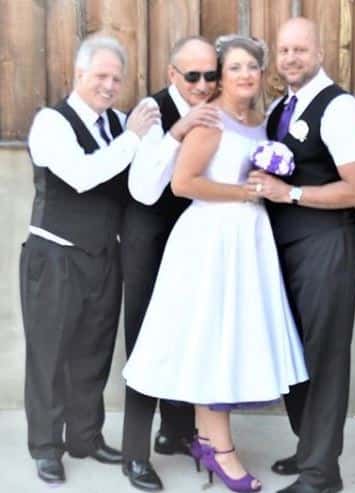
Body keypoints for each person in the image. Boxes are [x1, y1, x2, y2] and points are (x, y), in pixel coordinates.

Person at [123, 34, 308, 493]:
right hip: (212, 241)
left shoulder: (260, 121)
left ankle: (206, 441)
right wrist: (246, 192)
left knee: (228, 341)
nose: (245, 75)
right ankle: (221, 452)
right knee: (212, 341)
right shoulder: (209, 119)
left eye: (253, 67)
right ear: (223, 77)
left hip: (248, 241)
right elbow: (183, 184)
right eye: (235, 67)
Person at [21, 34, 159, 485]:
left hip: (103, 254)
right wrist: (133, 138)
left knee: (94, 351)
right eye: (100, 76)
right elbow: (82, 176)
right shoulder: (51, 122)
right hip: (54, 255)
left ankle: (85, 436)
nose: (109, 86)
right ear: (78, 73)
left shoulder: (119, 123)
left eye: (116, 79)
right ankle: (46, 446)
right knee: (50, 354)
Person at [248, 17, 355, 493]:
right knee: (294, 352)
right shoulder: (280, 107)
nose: (291, 58)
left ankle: (322, 475)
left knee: (323, 358)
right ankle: (309, 451)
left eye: (300, 49)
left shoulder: (338, 107)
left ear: (320, 53)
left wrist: (291, 194)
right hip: (285, 247)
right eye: (283, 50)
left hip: (325, 244)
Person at [120, 36, 220, 492]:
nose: (203, 85)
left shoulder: (217, 108)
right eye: (192, 76)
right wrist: (178, 131)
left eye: (210, 75)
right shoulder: (151, 111)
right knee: (145, 342)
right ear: (172, 74)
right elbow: (143, 189)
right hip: (149, 239)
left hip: (194, 238)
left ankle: (176, 431)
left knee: (189, 332)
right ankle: (134, 454)